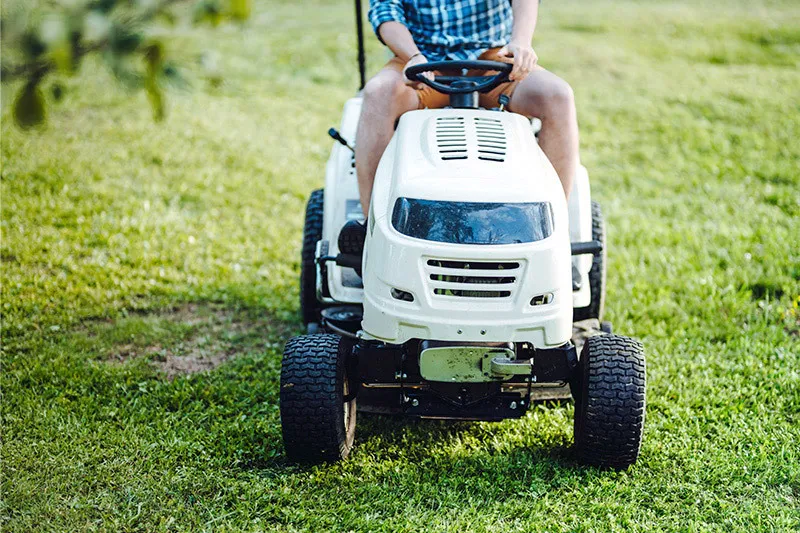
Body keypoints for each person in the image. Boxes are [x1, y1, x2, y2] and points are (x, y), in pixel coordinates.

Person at [356, 0, 579, 216]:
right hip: (422, 60)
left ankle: (556, 224)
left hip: (494, 59)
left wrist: (521, 41)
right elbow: (386, 12)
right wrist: (413, 56)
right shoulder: (415, 57)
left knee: (557, 96)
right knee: (378, 93)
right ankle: (373, 226)